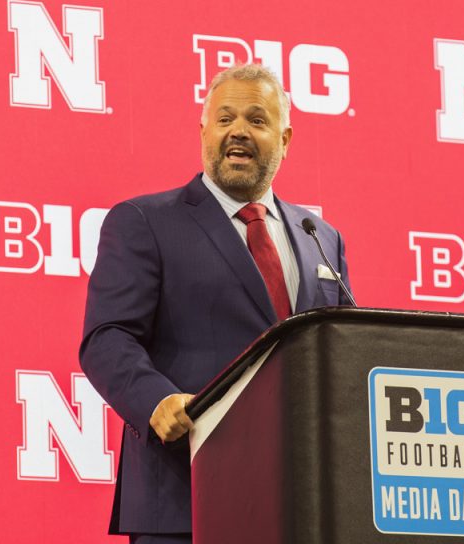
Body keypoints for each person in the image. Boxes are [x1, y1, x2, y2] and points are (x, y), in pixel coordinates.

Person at [80, 63, 353, 543]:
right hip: (186, 500)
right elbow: (108, 337)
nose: (238, 132)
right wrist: (156, 399)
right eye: (225, 119)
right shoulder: (145, 221)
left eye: (256, 119)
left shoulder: (321, 238)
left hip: (301, 506)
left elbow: (345, 352)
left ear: (286, 139)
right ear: (203, 129)